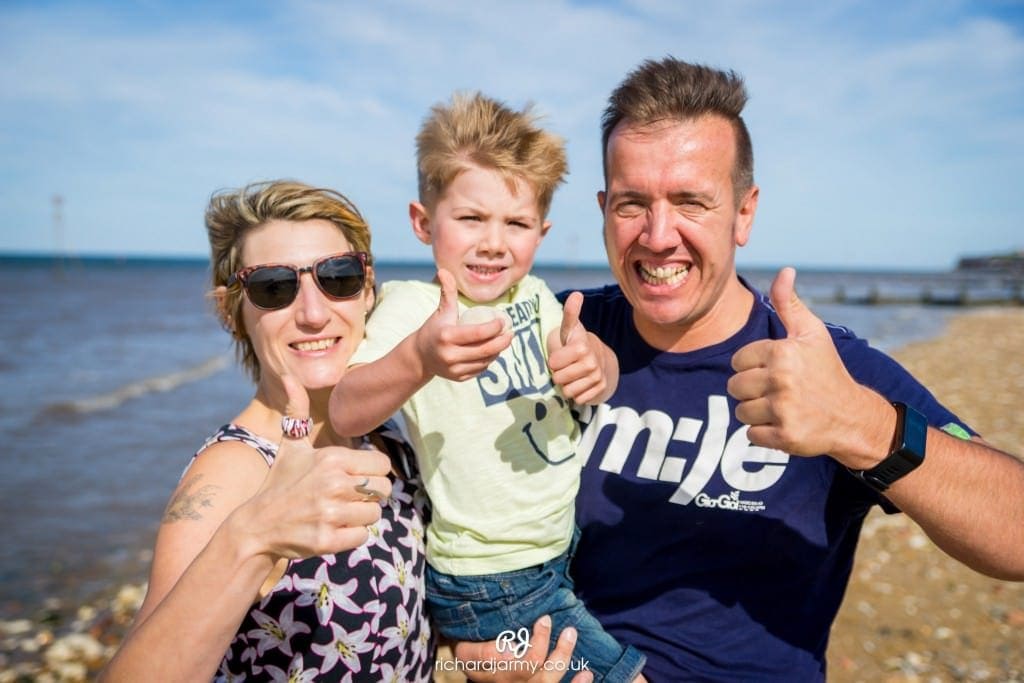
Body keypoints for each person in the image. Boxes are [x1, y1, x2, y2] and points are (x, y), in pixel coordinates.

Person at [458, 57, 1024, 681]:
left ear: (744, 212)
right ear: (602, 209)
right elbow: (456, 550)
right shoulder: (555, 328)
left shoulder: (823, 369)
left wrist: (864, 427)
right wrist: (494, 664)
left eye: (691, 201)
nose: (657, 234)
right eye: (631, 203)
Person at [330, 92, 646, 681]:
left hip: (556, 548)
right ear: (424, 222)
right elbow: (345, 409)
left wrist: (601, 366)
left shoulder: (531, 296)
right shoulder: (415, 307)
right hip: (493, 577)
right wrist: (418, 358)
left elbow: (591, 362)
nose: (494, 241)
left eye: (517, 223)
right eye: (471, 218)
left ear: (541, 232)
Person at [101, 181, 435, 681]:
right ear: (231, 311)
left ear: (367, 291)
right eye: (273, 288)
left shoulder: (388, 436)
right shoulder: (233, 474)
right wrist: (253, 537)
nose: (313, 313)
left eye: (338, 277)